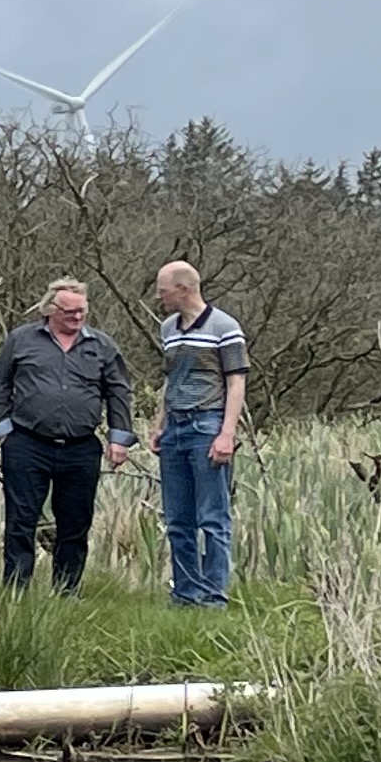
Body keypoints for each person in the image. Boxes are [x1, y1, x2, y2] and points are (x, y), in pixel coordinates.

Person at [0, 276, 135, 593]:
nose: (77, 318)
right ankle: (15, 590)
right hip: (27, 443)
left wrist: (119, 439)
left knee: (76, 524)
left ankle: (67, 591)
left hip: (80, 449)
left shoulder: (102, 346)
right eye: (69, 312)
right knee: (21, 521)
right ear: (50, 309)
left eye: (82, 311)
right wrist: (3, 430)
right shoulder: (21, 340)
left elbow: (119, 392)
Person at [150, 258, 250, 608]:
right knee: (178, 518)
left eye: (164, 291)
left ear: (184, 289)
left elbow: (235, 381)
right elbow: (171, 378)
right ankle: (185, 594)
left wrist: (227, 433)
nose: (160, 297)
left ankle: (214, 595)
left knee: (212, 517)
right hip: (175, 427)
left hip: (207, 424)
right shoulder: (168, 329)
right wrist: (159, 422)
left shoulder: (224, 326)